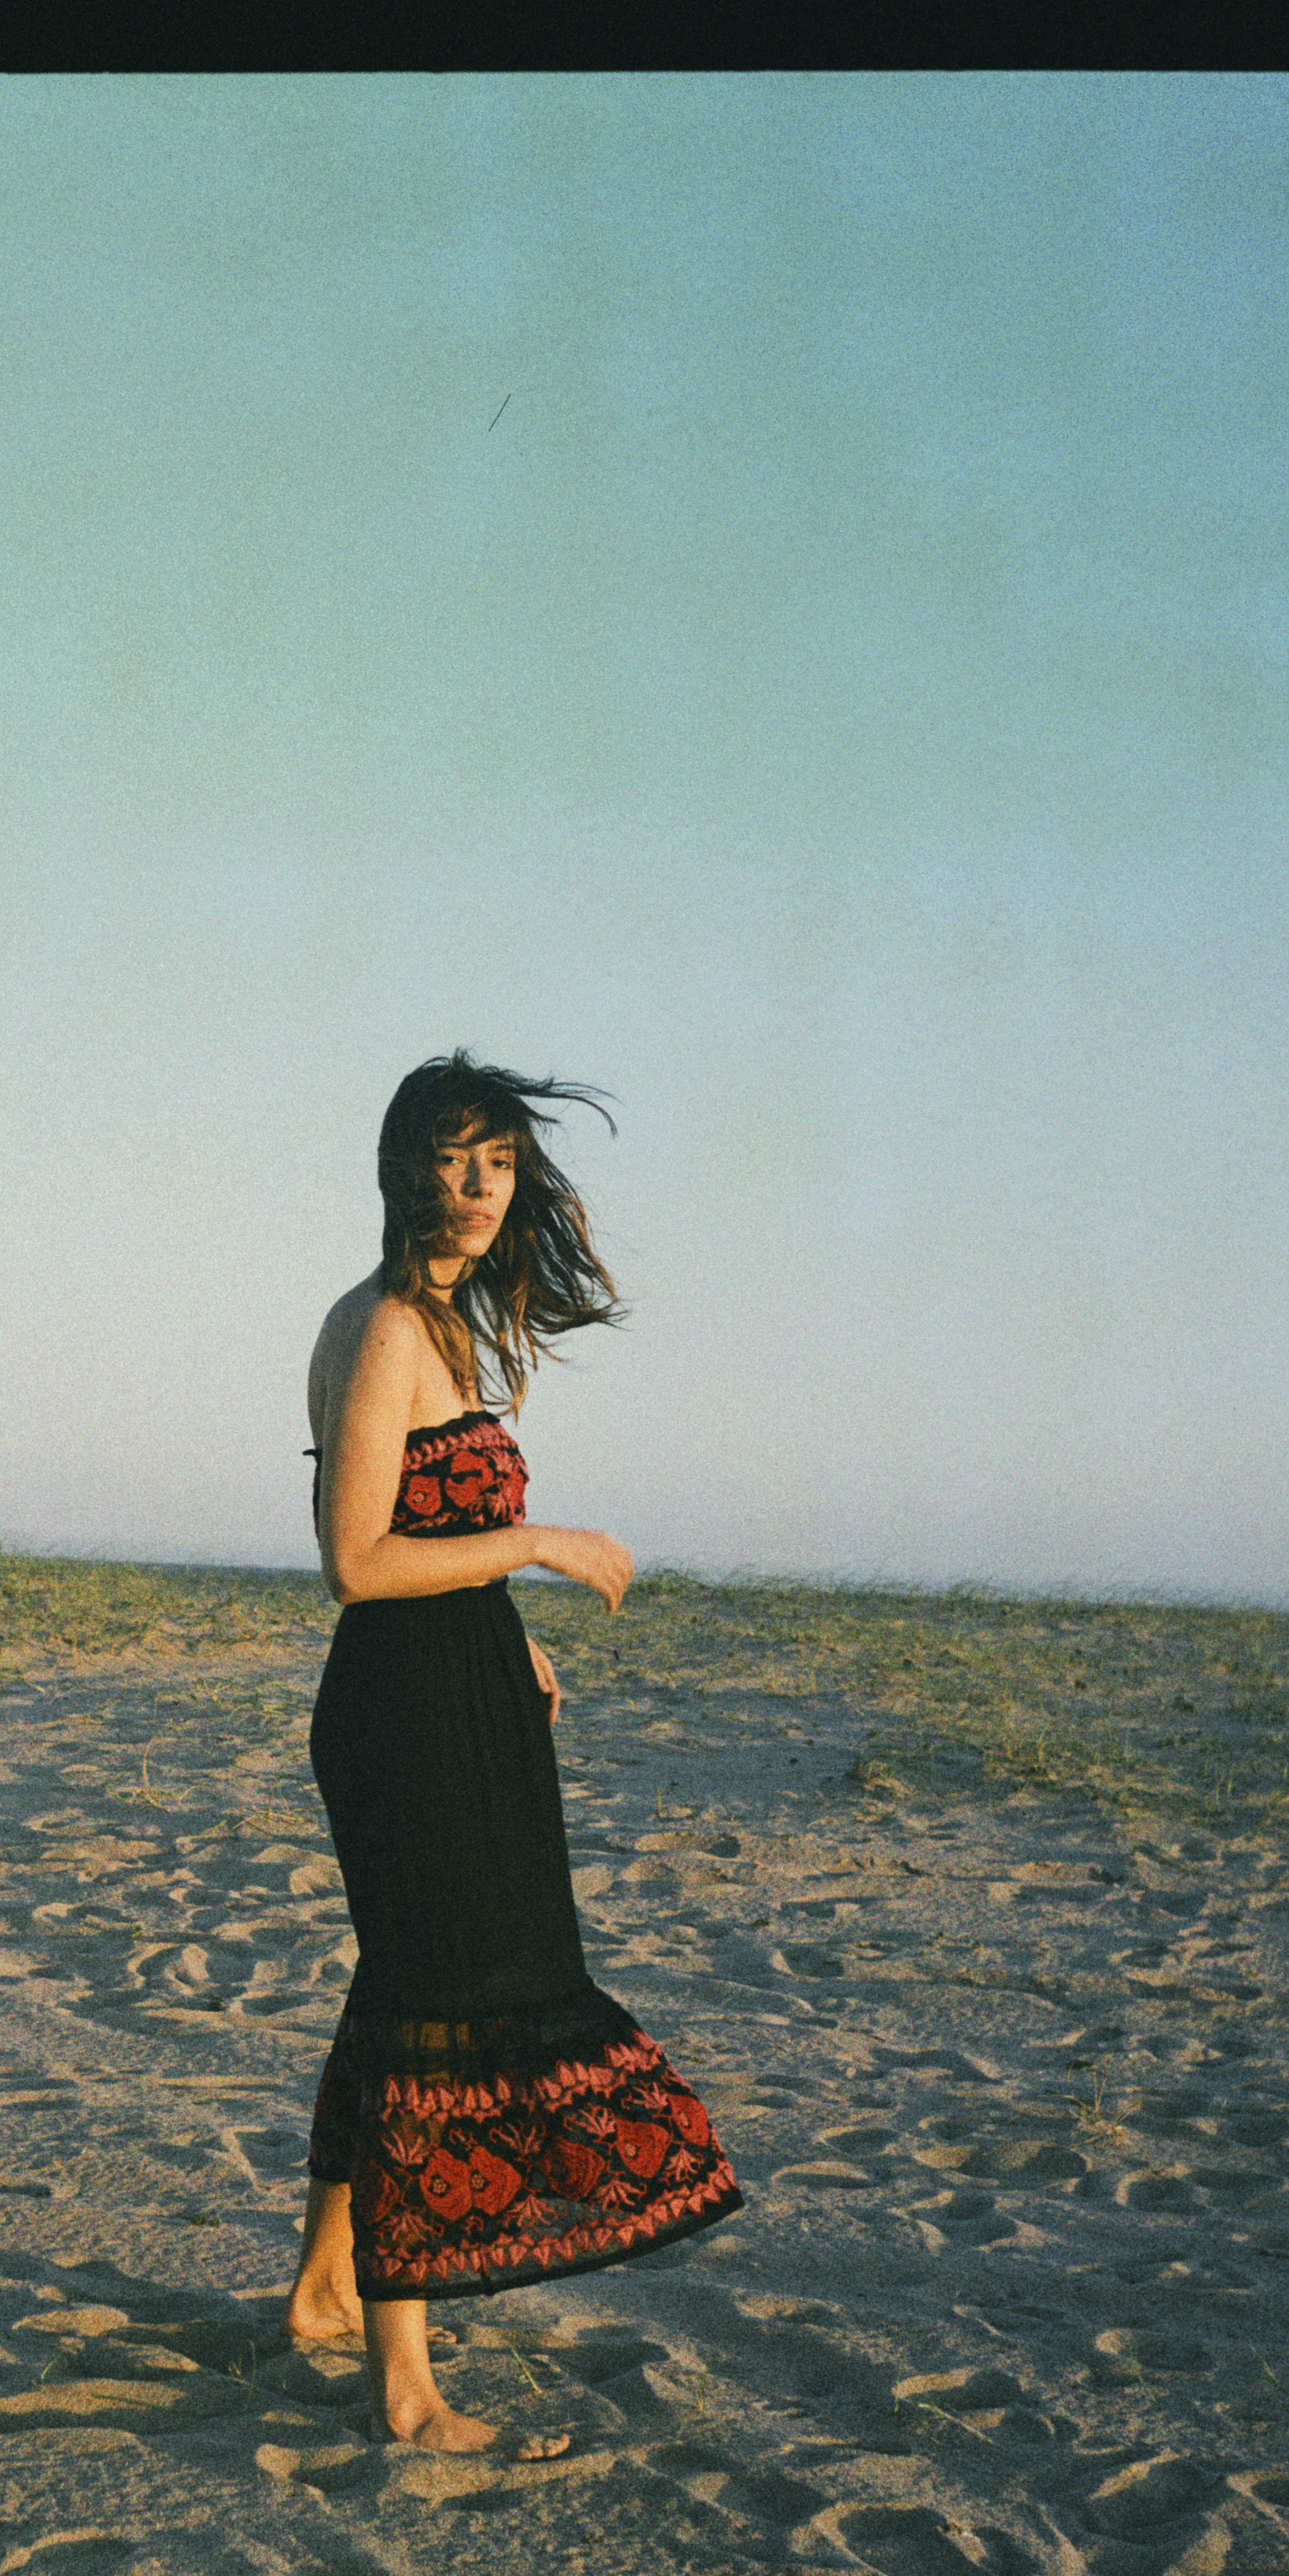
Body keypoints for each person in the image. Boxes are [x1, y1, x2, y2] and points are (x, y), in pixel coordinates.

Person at [284, 1051, 742, 2457]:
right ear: (403, 1171)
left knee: (401, 1992)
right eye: (453, 1158)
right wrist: (539, 1545)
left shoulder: (446, 1328)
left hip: (461, 1687)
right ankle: (406, 2393)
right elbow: (358, 1563)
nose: (480, 1188)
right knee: (439, 2008)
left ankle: (323, 2291)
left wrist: (507, 1633)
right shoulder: (383, 1330)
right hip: (403, 1716)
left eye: (500, 1163)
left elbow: (433, 1547)